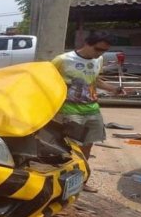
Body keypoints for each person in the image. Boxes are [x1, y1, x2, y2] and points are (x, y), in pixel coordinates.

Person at [51, 32, 126, 193]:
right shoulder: (62, 60)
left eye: (104, 51)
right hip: (69, 110)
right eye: (97, 49)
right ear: (86, 43)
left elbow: (95, 80)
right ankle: (63, 184)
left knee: (87, 147)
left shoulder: (98, 59)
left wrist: (113, 89)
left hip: (92, 109)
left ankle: (81, 182)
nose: (100, 53)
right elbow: (49, 81)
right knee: (70, 149)